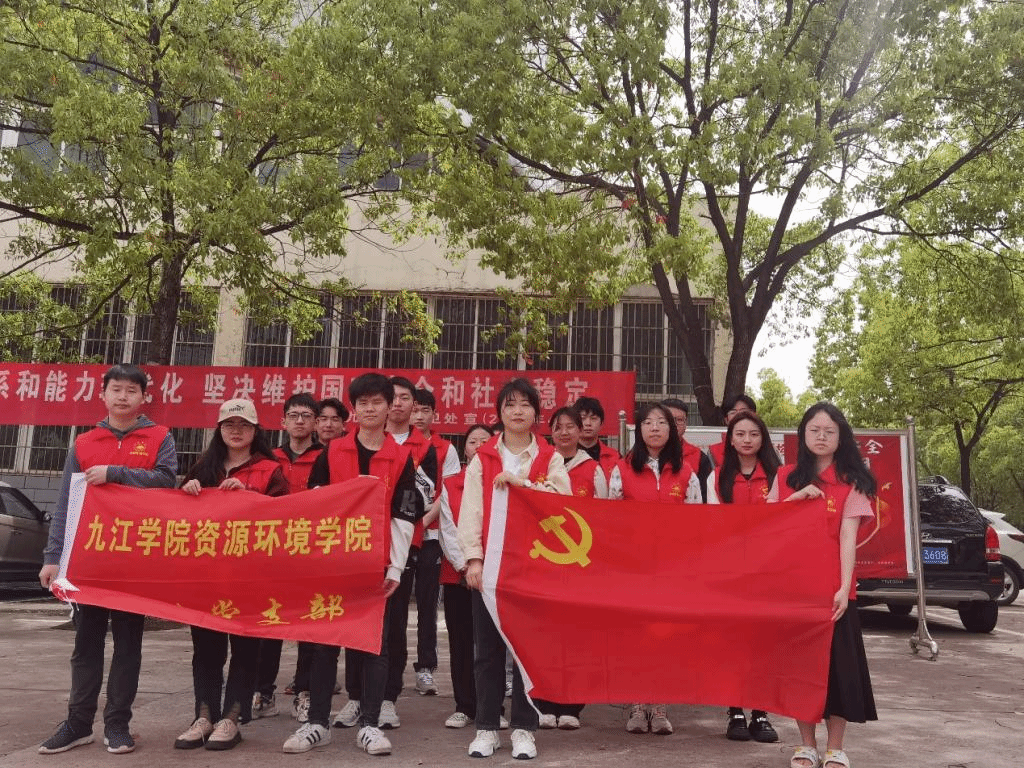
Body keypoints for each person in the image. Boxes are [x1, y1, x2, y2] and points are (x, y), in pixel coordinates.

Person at [38, 364, 178, 755]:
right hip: (90, 560)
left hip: (135, 561)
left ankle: (117, 725)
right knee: (86, 644)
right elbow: (66, 503)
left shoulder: (159, 437)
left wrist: (116, 473)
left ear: (144, 398)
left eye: (132, 390)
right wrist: (53, 557)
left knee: (128, 644)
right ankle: (78, 723)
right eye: (116, 389)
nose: (123, 396)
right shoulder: (84, 442)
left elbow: (167, 480)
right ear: (103, 394)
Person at [283, 373, 423, 756]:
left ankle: (370, 725)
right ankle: (317, 723)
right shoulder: (332, 453)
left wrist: (395, 568)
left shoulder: (400, 458)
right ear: (354, 409)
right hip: (333, 567)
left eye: (378, 402)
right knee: (326, 644)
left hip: (376, 569)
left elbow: (404, 515)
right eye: (363, 403)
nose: (370, 409)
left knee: (374, 647)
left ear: (389, 407)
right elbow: (315, 505)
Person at [458, 378, 572, 760]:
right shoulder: (483, 458)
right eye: (510, 404)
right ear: (500, 413)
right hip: (491, 568)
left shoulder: (549, 457)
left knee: (528, 650)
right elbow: (471, 511)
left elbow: (563, 501)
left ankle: (524, 728)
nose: (518, 411)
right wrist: (473, 559)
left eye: (525, 404)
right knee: (487, 652)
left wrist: (521, 483)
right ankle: (487, 727)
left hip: (533, 569)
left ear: (536, 413)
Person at [174, 399, 289, 751]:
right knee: (206, 649)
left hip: (250, 576)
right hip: (207, 575)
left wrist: (249, 496)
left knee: (245, 648)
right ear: (219, 429)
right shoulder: (203, 467)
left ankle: (232, 718)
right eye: (229, 424)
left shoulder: (270, 470)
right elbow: (178, 518)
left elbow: (286, 517)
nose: (236, 431)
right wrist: (186, 492)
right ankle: (203, 716)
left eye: (243, 425)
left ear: (255, 430)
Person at [769, 403, 878, 768]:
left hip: (834, 592)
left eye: (829, 431)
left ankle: (835, 748)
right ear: (803, 435)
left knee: (839, 672)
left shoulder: (852, 482)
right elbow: (768, 527)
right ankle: (805, 745)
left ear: (840, 437)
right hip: (794, 591)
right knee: (801, 670)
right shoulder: (785, 476)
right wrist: (796, 498)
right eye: (814, 430)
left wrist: (844, 587)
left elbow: (848, 537)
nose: (821, 436)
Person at [609, 402, 702, 736]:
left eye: (662, 422)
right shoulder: (622, 469)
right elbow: (610, 520)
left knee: (665, 635)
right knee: (636, 636)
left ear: (672, 430)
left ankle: (660, 705)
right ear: (639, 430)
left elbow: (697, 523)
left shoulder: (686, 473)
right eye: (648, 422)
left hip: (672, 569)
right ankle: (637, 704)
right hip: (634, 568)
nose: (655, 428)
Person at [533, 407, 608, 730]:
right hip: (543, 563)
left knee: (576, 635)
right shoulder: (539, 465)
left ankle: (572, 706)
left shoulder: (594, 470)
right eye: (558, 427)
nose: (564, 433)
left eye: (570, 427)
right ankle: (543, 702)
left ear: (581, 431)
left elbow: (604, 518)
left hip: (581, 565)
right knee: (543, 635)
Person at [253, 394, 322, 720]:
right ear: (283, 421)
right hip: (274, 553)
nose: (299, 421)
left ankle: (304, 692)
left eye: (306, 415)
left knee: (309, 627)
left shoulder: (326, 458)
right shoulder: (269, 459)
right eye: (293, 415)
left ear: (315, 422)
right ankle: (263, 693)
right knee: (270, 623)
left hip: (311, 552)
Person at [714, 411, 781, 744]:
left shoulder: (779, 475)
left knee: (763, 642)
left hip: (768, 571)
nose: (747, 440)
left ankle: (762, 712)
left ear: (763, 438)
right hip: (730, 572)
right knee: (733, 642)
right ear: (730, 439)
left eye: (754, 434)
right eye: (740, 434)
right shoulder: (717, 477)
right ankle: (735, 711)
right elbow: (709, 525)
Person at [287, 397, 349, 722]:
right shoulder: (295, 457)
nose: (327, 424)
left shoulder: (351, 454)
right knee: (306, 623)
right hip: (298, 546)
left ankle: (320, 689)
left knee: (331, 623)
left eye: (334, 419)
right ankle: (302, 688)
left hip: (341, 550)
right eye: (322, 418)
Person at [437, 424, 494, 729]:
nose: (479, 446)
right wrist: (467, 566)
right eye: (473, 441)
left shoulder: (501, 480)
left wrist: (489, 567)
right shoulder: (450, 484)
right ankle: (464, 705)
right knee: (460, 642)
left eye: (485, 441)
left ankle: (492, 707)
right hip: (458, 575)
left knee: (491, 645)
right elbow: (447, 530)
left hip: (494, 576)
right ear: (465, 449)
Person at [408, 388, 462, 696]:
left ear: (434, 414)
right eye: (414, 409)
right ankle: (386, 668)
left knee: (428, 605)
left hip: (431, 536)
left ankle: (426, 668)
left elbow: (449, 491)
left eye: (425, 410)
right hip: (400, 536)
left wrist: (423, 521)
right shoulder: (396, 443)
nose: (418, 416)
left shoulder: (446, 449)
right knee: (393, 603)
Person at [661, 398, 717, 503]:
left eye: (679, 420)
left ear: (685, 423)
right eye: (669, 419)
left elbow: (704, 499)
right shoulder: (641, 456)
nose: (674, 424)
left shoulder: (700, 457)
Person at [573, 396, 620, 479]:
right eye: (583, 418)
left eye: (593, 418)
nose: (588, 423)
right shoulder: (563, 456)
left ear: (601, 423)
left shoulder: (614, 457)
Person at [709, 394, 758, 468]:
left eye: (744, 411)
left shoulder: (768, 449)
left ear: (754, 415)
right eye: (733, 412)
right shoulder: (713, 452)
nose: (738, 415)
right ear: (726, 420)